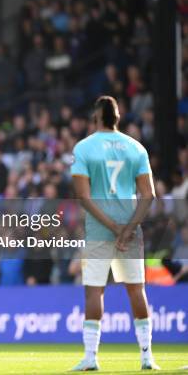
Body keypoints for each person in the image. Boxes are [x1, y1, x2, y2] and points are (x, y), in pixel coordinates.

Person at [70, 96, 159, 371]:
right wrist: (128, 228)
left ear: (96, 118)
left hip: (99, 230)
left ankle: (90, 358)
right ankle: (146, 357)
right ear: (118, 118)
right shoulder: (136, 148)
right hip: (131, 230)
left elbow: (83, 197)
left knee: (94, 292)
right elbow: (148, 195)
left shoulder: (84, 148)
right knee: (136, 290)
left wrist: (112, 227)